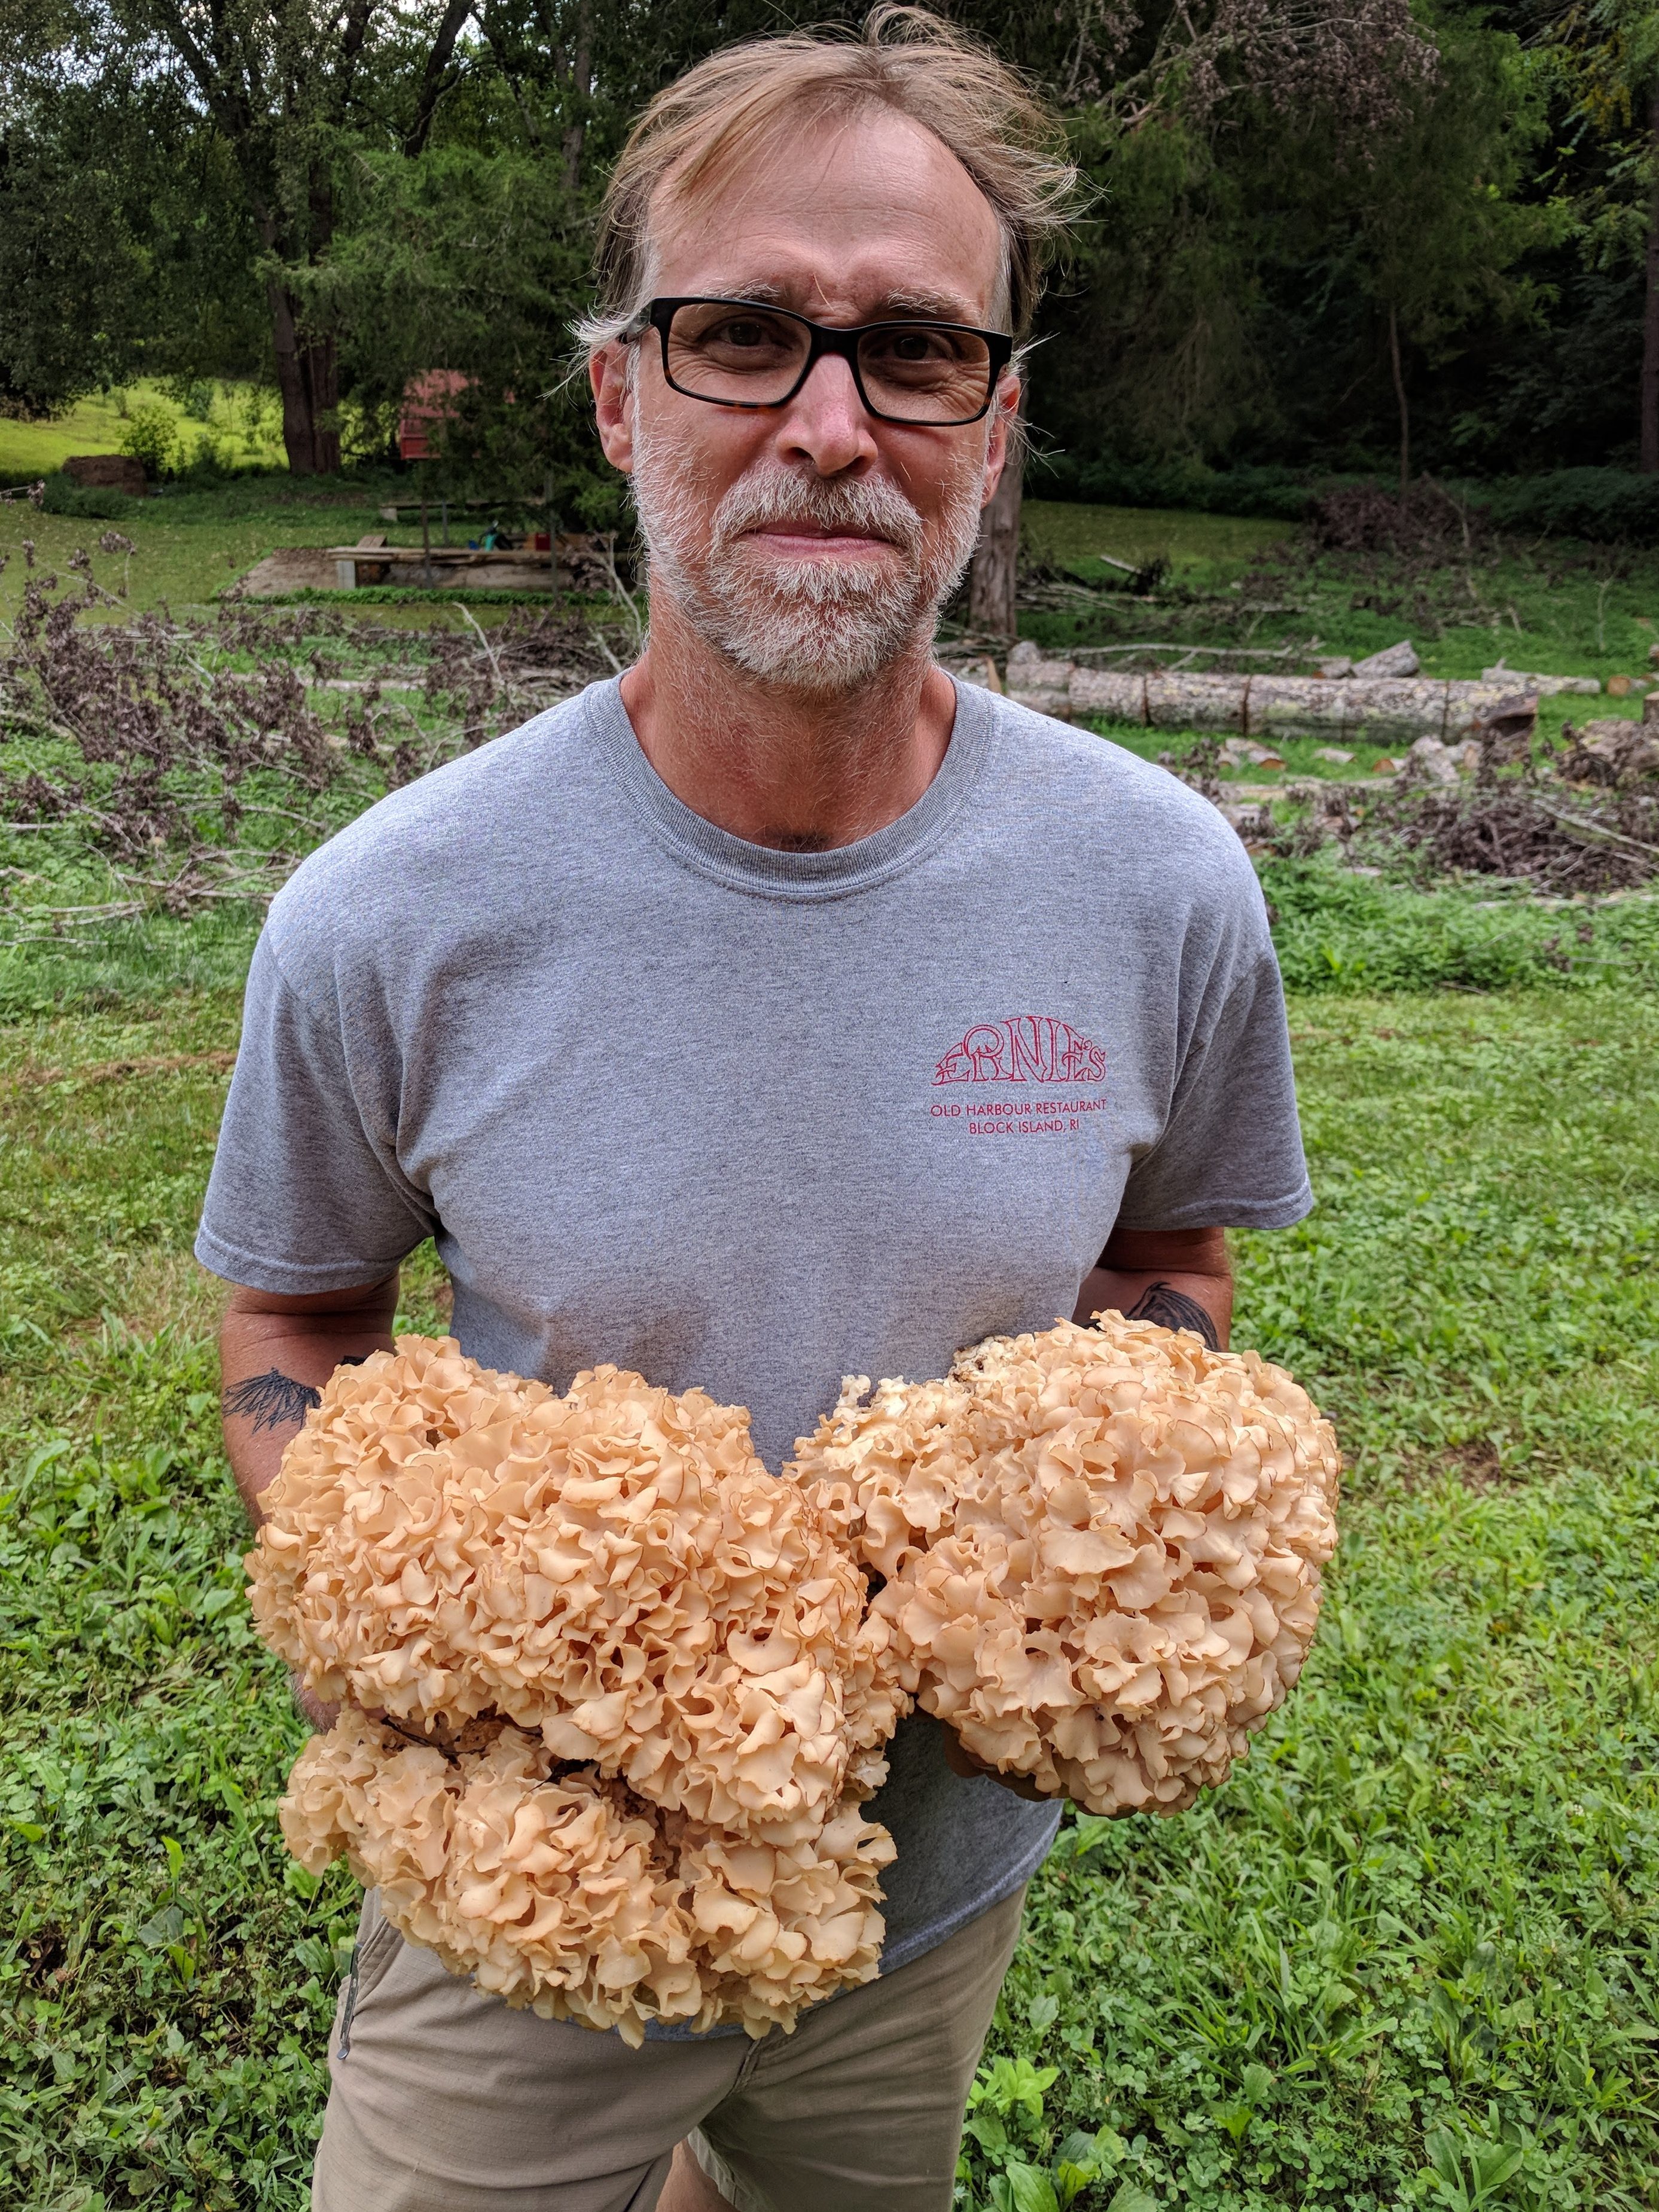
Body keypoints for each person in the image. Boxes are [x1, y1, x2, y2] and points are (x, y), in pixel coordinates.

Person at [197, 10, 1313, 2208]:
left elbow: (1170, 1271)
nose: (830, 424)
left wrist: (1124, 1523)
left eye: (915, 351)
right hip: (537, 1873)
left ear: (993, 427)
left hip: (935, 1876)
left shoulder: (1160, 883)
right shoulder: (389, 916)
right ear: (622, 391)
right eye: (742, 336)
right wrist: (448, 1609)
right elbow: (288, 1332)